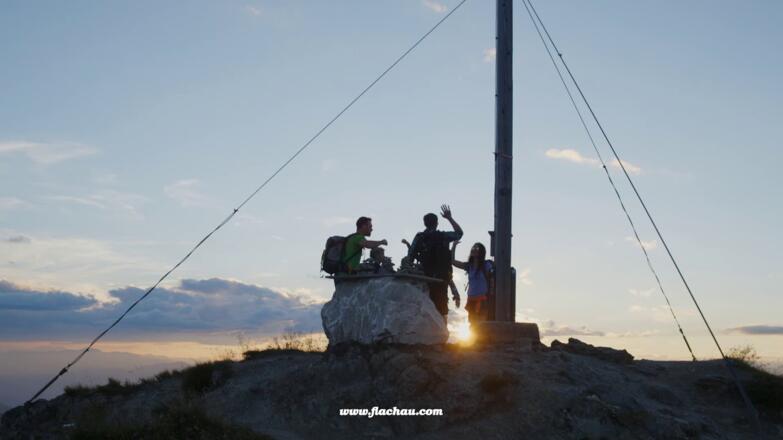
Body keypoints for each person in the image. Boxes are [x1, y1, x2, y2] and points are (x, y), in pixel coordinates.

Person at [408, 205, 463, 317]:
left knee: (425, 315)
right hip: (441, 280)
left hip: (424, 280)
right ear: (437, 223)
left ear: (424, 223)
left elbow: (410, 257)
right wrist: (449, 218)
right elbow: (459, 233)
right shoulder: (443, 236)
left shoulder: (420, 237)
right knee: (441, 315)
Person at [402, 238, 460, 308]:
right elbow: (415, 254)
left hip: (439, 298)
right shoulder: (428, 263)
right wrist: (408, 244)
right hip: (427, 298)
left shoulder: (443, 269)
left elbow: (451, 282)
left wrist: (456, 296)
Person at [452, 241, 494, 323]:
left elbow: (493, 277)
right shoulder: (469, 266)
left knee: (481, 325)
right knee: (472, 325)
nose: (474, 249)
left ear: (481, 252)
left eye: (477, 248)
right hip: (471, 299)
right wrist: (454, 246)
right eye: (473, 247)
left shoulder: (486, 265)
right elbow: (453, 262)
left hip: (482, 300)